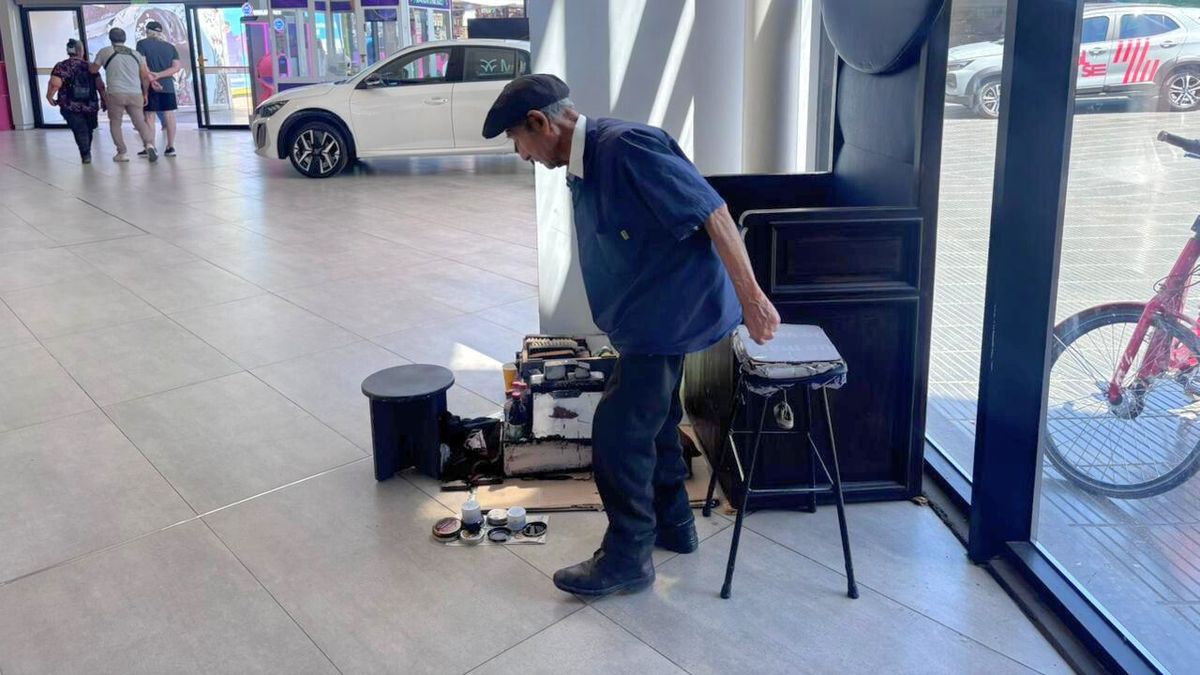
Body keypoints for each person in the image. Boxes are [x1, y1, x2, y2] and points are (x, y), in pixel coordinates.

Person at [483, 75, 781, 597]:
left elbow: (713, 211)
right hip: (648, 312)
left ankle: (627, 557)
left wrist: (754, 297)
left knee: (619, 434)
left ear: (540, 123)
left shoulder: (625, 148)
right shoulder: (585, 161)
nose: (521, 155)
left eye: (517, 141)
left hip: (668, 313)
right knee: (658, 419)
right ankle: (675, 525)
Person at [92, 27, 156, 163]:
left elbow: (93, 70)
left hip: (115, 93)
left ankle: (122, 153)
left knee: (116, 123)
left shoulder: (105, 52)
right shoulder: (135, 54)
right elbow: (145, 76)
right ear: (125, 39)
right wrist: (145, 93)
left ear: (110, 39)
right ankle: (149, 144)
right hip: (135, 93)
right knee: (140, 121)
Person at [46, 39, 104, 164]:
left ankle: (85, 153)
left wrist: (49, 96)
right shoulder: (90, 66)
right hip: (90, 104)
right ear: (80, 51)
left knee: (80, 128)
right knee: (88, 129)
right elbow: (100, 85)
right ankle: (86, 150)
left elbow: (55, 83)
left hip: (70, 105)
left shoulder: (62, 66)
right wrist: (104, 99)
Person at [136, 21, 182, 157]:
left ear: (147, 31)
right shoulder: (170, 47)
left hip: (149, 85)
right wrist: (161, 75)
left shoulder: (142, 44)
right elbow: (176, 67)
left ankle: (151, 146)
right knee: (169, 114)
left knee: (149, 115)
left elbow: (143, 65)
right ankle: (170, 147)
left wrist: (152, 78)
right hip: (167, 85)